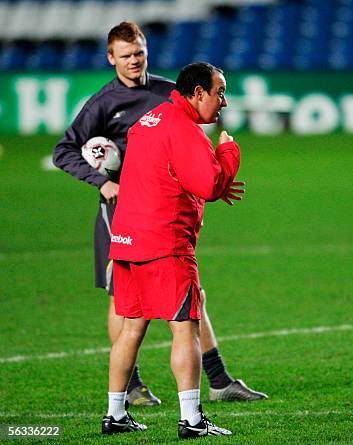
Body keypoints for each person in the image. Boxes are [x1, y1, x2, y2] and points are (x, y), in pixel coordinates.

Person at [53, 21, 266, 406]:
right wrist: (103, 182)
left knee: (186, 297)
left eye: (139, 53)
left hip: (164, 205)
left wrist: (202, 172)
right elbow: (64, 151)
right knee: (127, 301)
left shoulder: (169, 93)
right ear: (110, 58)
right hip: (123, 210)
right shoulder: (103, 103)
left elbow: (191, 143)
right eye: (125, 55)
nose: (134, 61)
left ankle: (214, 380)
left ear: (146, 50)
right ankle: (133, 388)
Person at [102, 62, 241, 438]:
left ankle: (115, 414)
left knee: (131, 329)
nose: (223, 102)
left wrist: (211, 177)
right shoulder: (186, 130)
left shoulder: (148, 121)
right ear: (198, 93)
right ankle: (192, 420)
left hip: (127, 242)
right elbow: (209, 186)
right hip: (165, 245)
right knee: (186, 329)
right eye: (219, 92)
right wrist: (229, 154)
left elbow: (171, 174)